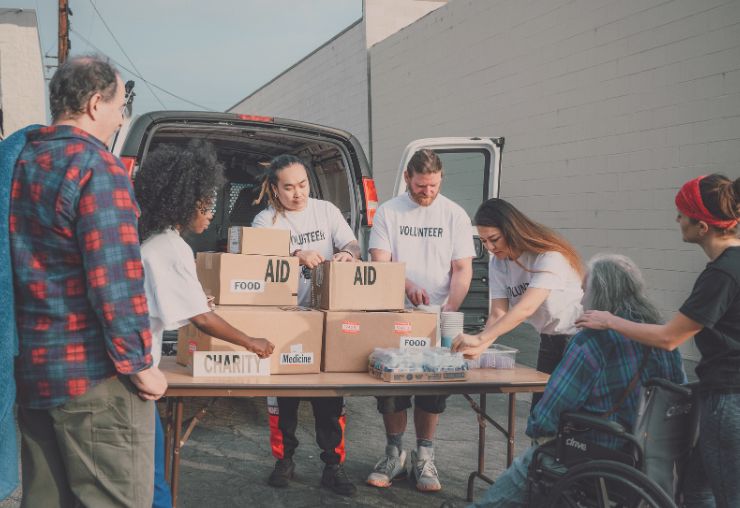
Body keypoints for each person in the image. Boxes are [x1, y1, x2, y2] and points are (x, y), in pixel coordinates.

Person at [9, 55, 166, 507]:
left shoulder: (22, 162)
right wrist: (139, 365)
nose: (121, 117)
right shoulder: (97, 168)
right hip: (93, 378)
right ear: (96, 103)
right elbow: (114, 280)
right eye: (121, 106)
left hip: (34, 374)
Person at [469, 253, 687, 507]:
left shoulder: (591, 342)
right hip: (649, 460)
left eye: (584, 290)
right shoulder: (659, 338)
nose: (581, 298)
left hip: (592, 453)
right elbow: (677, 395)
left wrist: (538, 432)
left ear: (600, 295)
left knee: (510, 484)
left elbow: (552, 408)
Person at [576, 174, 740, 508]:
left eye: (682, 214)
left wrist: (609, 319)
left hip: (729, 397)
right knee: (697, 489)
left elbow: (669, 337)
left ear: (703, 226)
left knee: (726, 495)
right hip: (723, 395)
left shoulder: (723, 273)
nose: (677, 220)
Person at [134, 140, 275, 507]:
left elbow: (180, 304)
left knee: (151, 471)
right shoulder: (171, 246)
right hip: (135, 377)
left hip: (134, 370)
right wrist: (251, 341)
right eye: (206, 203)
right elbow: (202, 319)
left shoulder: (154, 240)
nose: (211, 213)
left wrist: (199, 304)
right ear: (183, 200)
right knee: (153, 484)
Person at [251, 154, 360, 496]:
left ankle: (333, 466)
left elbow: (353, 243)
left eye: (302, 185)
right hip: (283, 319)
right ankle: (284, 461)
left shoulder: (326, 210)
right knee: (285, 399)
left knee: (329, 398)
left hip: (325, 318)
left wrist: (349, 255)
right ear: (274, 188)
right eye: (288, 187)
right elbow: (255, 261)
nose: (297, 193)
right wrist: (295, 253)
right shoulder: (265, 220)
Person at [366, 149, 474, 492]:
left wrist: (449, 309)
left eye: (434, 185)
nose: (427, 192)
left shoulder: (454, 214)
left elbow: (462, 268)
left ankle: (425, 456)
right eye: (421, 185)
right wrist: (407, 285)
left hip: (438, 315)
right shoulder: (389, 211)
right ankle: (394, 453)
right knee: (393, 387)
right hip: (395, 312)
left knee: (433, 387)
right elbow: (380, 261)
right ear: (407, 179)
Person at [452, 198, 583, 409]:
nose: (490, 247)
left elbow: (526, 308)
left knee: (565, 412)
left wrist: (480, 339)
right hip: (549, 338)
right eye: (484, 242)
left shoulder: (548, 256)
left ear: (511, 230)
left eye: (494, 239)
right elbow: (498, 313)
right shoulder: (498, 263)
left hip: (578, 338)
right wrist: (480, 346)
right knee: (541, 412)